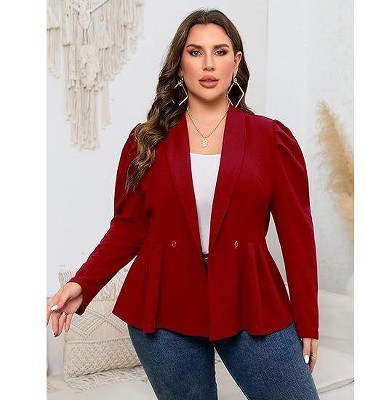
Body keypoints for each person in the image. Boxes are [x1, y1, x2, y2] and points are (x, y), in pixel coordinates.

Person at [47, 8, 320, 400]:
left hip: (250, 296)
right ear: (179, 64)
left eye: (220, 51)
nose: (208, 64)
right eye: (195, 52)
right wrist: (83, 283)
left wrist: (308, 320)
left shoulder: (271, 139)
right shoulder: (147, 140)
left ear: (236, 62)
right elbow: (128, 227)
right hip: (164, 304)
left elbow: (297, 235)